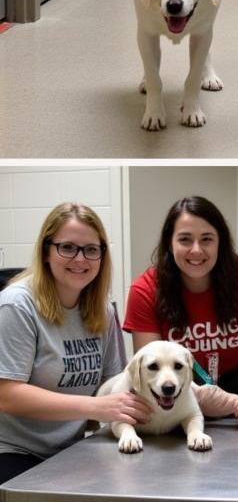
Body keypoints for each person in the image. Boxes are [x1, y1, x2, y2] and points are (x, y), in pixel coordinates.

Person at [0, 204, 150, 484]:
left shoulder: (102, 310)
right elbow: (7, 394)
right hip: (15, 451)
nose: (80, 259)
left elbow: (113, 382)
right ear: (46, 251)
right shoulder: (17, 305)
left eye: (91, 249)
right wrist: (95, 408)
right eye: (67, 247)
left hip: (71, 450)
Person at [122, 196, 238, 427]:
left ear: (220, 243)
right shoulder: (144, 291)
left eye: (206, 239)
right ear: (169, 243)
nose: (196, 250)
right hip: (178, 392)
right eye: (185, 239)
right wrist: (195, 397)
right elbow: (148, 374)